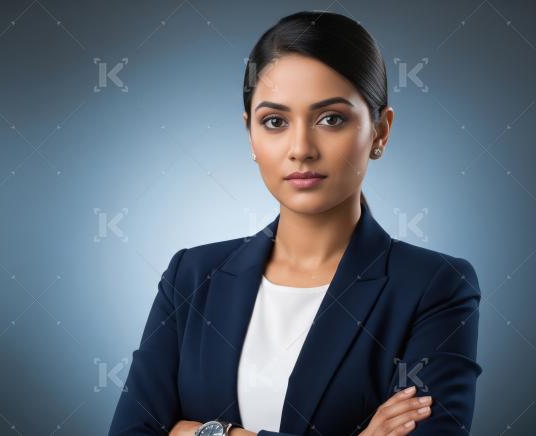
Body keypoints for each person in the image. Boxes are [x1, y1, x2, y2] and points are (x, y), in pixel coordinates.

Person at [108, 10, 482, 436]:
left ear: (380, 131)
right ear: (251, 134)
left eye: (331, 119)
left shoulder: (434, 286)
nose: (301, 148)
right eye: (275, 122)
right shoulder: (191, 277)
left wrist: (196, 432)